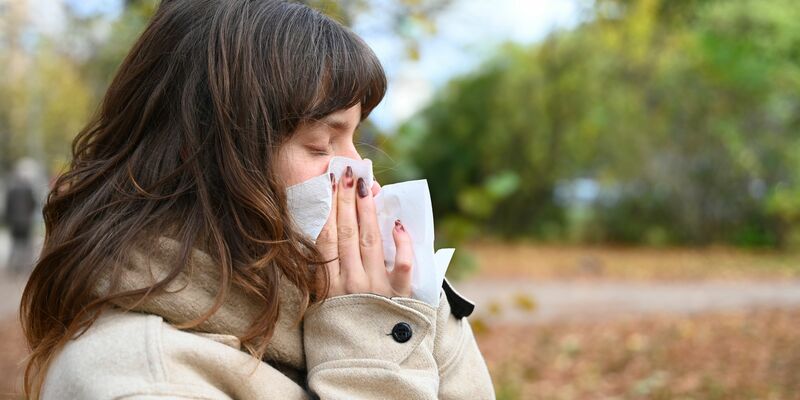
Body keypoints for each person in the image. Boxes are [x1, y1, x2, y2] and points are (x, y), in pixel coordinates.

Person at [19, 1, 495, 399]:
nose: (361, 175)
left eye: (354, 139)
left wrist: (400, 315)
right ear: (202, 154)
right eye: (321, 144)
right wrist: (371, 354)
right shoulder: (134, 377)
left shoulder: (398, 295)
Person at [4, 158, 40, 275]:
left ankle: (13, 266)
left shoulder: (11, 188)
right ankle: (26, 267)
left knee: (15, 244)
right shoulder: (29, 189)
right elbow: (34, 203)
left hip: (14, 222)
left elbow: (8, 206)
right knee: (27, 244)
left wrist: (8, 219)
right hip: (26, 221)